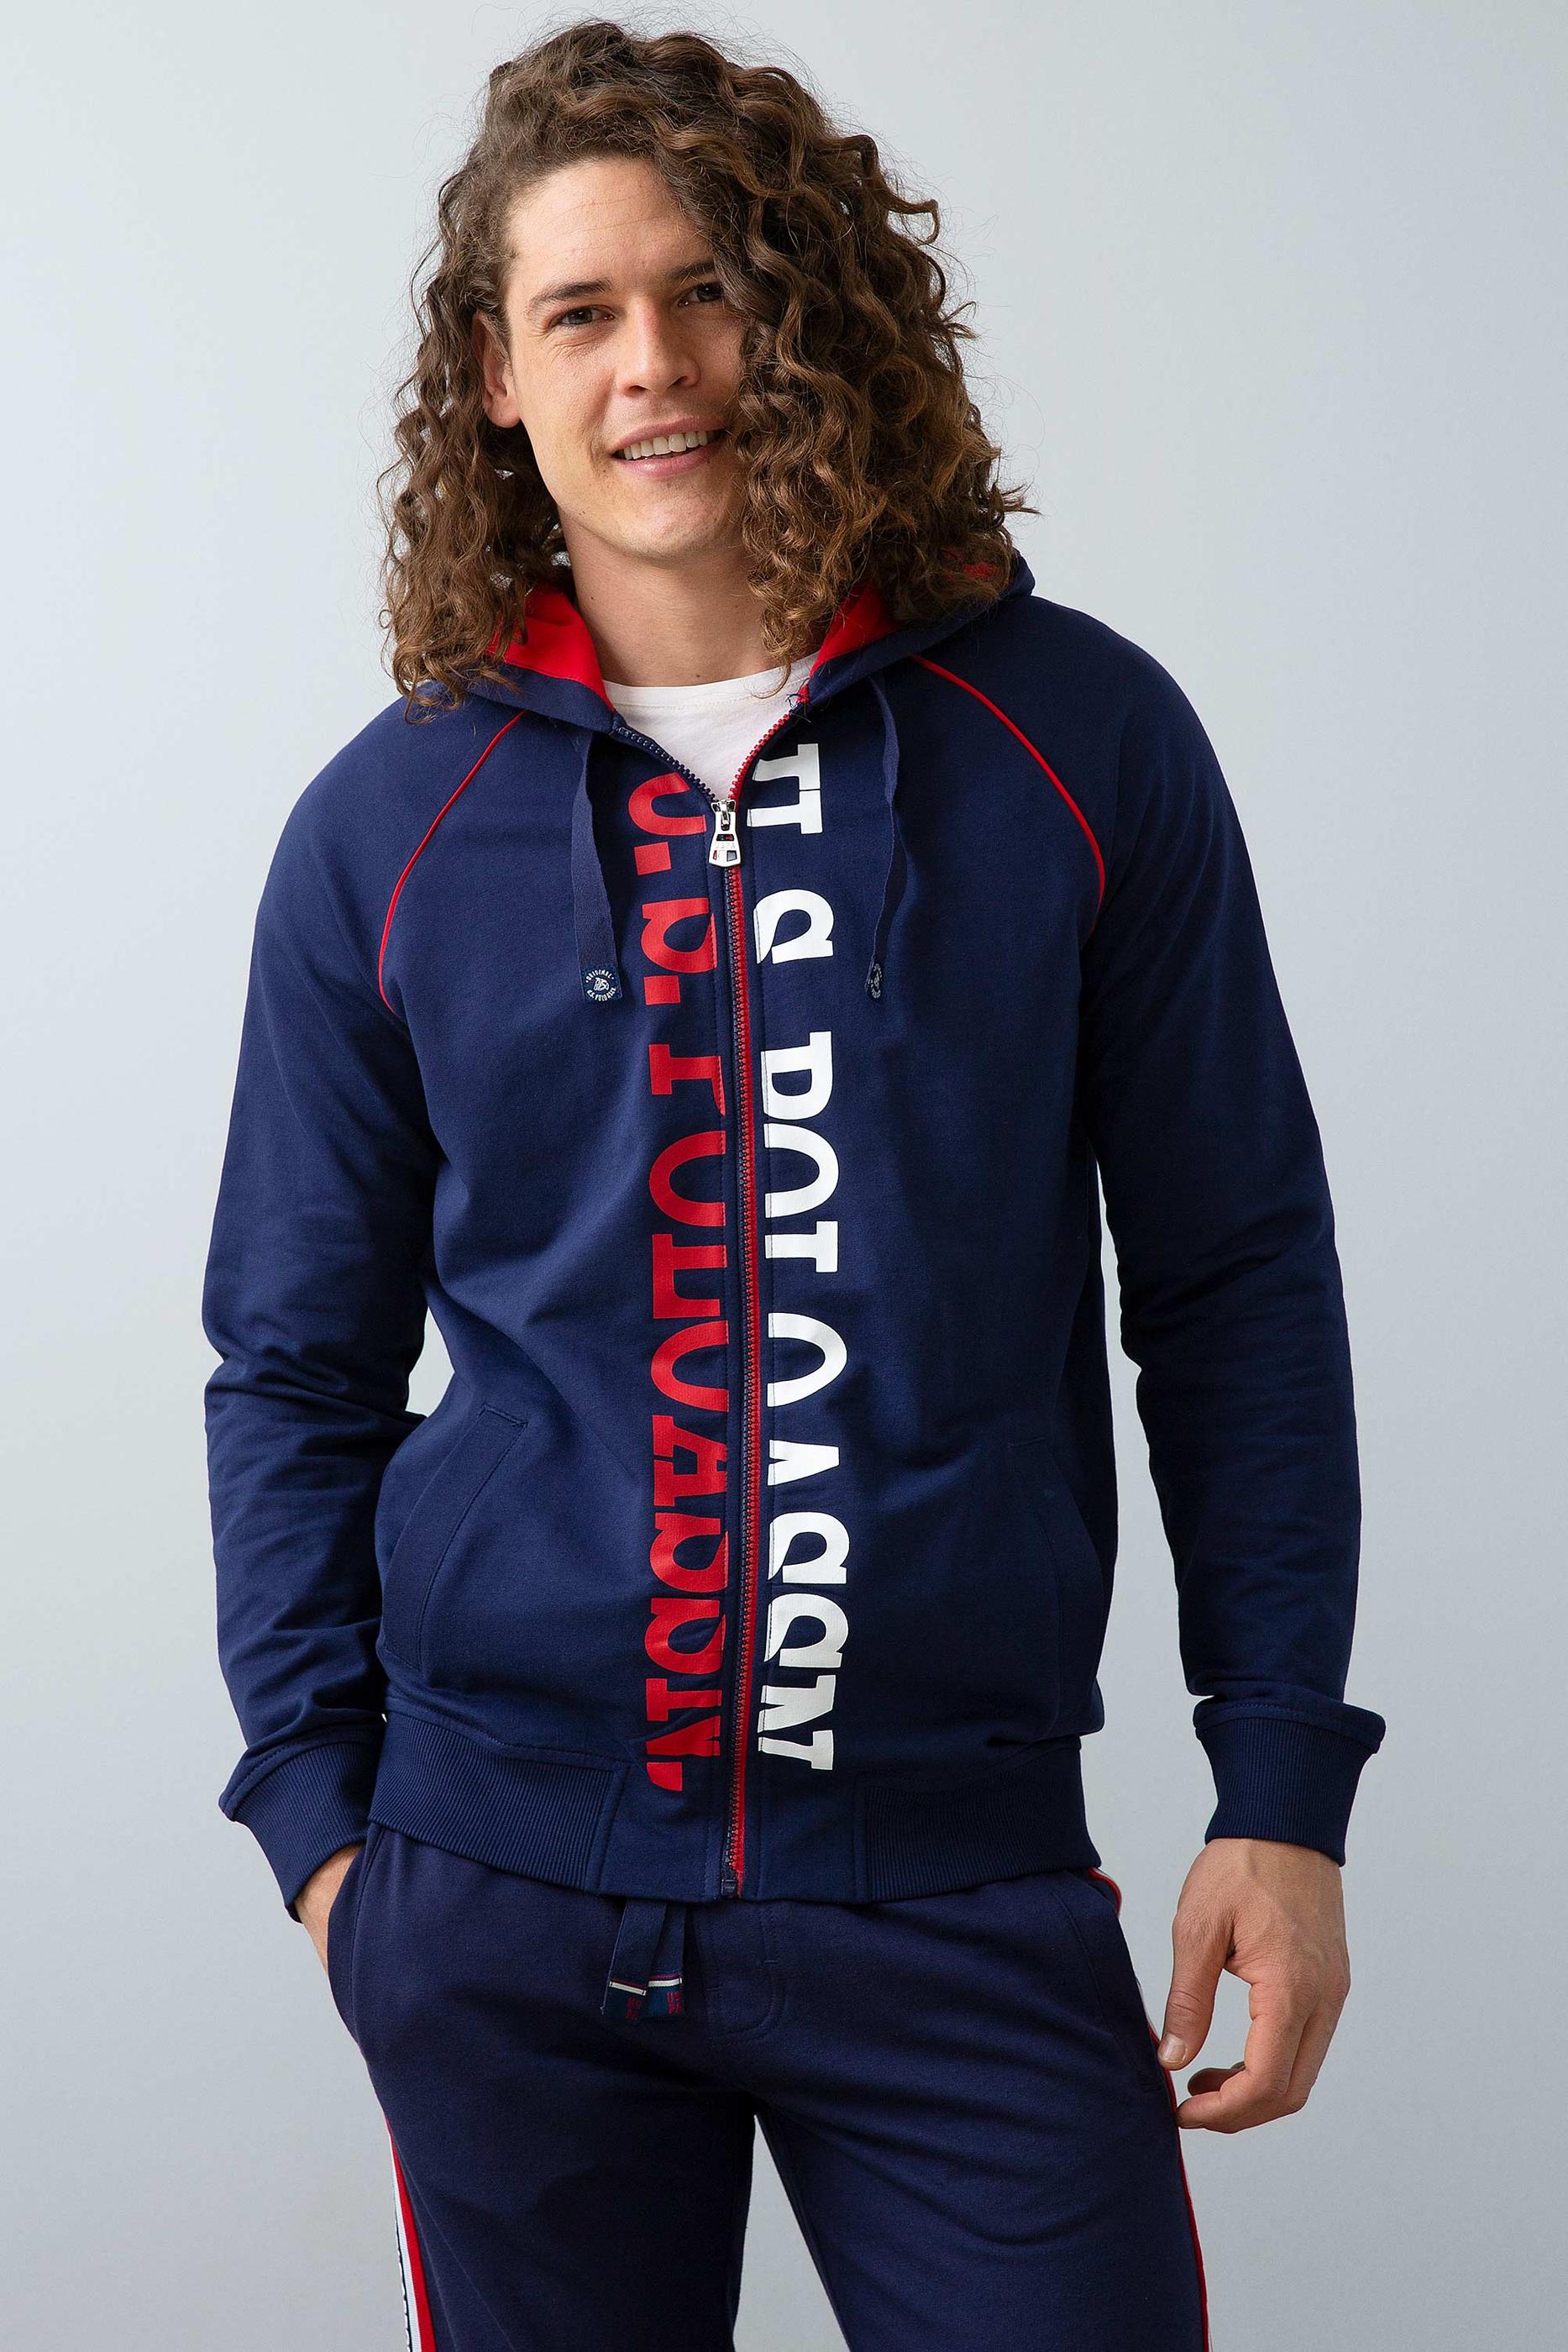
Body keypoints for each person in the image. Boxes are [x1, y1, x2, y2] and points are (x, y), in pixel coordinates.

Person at [202, 21, 1386, 2350]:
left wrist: (1279, 1783)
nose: (653, 364)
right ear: (495, 378)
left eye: (710, 289)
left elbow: (1234, 1276)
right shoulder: (389, 824)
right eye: (580, 311)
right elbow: (293, 1361)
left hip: (950, 1884)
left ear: (809, 318)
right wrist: (324, 1831)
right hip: (500, 1905)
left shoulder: (1077, 735)